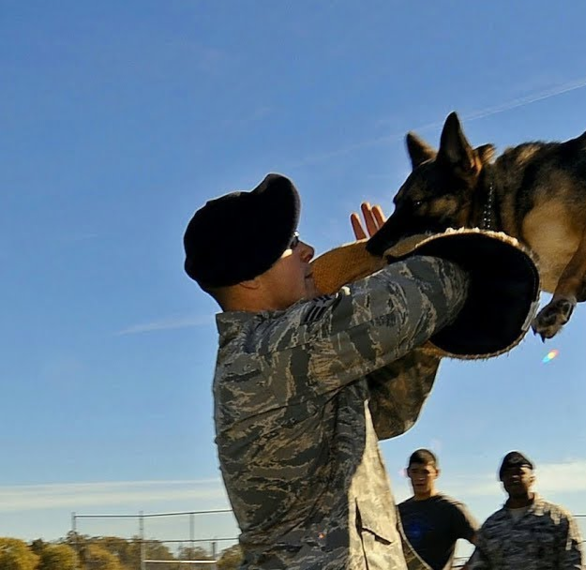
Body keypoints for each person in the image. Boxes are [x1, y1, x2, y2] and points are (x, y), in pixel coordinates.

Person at [186, 174, 539, 570]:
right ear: (250, 277)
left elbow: (391, 414)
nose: (309, 251)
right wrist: (409, 253)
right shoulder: (274, 350)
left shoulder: (293, 355)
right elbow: (438, 287)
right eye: (291, 243)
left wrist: (391, 282)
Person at [466, 451, 584, 569]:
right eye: (508, 474)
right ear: (502, 481)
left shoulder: (557, 518)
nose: (514, 477)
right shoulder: (491, 526)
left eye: (520, 473)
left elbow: (572, 564)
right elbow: (479, 565)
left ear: (532, 479)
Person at [397, 449, 478, 570]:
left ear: (436, 473)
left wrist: (466, 568)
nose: (420, 477)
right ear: (408, 473)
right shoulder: (399, 511)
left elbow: (484, 544)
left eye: (425, 472)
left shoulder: (450, 509)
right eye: (415, 471)